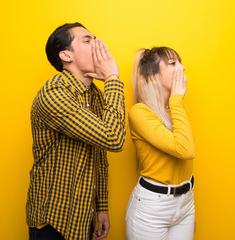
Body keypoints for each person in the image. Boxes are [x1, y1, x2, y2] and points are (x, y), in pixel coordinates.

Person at [26, 22, 126, 240]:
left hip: (82, 219)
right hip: (53, 223)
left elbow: (99, 155)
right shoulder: (54, 95)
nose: (98, 44)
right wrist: (112, 78)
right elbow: (113, 139)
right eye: (87, 40)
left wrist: (101, 207)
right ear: (66, 56)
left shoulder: (95, 95)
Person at [126, 47, 196, 240]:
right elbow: (185, 150)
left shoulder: (173, 109)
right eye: (173, 63)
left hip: (185, 203)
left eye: (180, 62)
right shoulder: (139, 112)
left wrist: (184, 207)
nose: (181, 67)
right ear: (153, 74)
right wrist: (176, 99)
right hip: (152, 208)